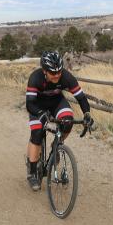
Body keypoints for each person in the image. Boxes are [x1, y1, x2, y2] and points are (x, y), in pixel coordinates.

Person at [25, 51, 93, 190]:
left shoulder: (66, 77)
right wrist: (40, 114)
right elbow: (29, 104)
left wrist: (87, 113)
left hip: (56, 103)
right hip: (37, 106)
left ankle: (57, 144)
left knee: (68, 121)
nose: (56, 75)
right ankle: (32, 173)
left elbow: (81, 97)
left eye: (59, 72)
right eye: (52, 73)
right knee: (37, 133)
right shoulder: (35, 78)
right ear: (44, 71)